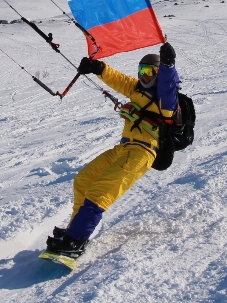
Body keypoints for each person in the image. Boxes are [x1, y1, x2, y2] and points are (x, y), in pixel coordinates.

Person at [46, 42, 181, 257]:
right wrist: (97, 67)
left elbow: (168, 84)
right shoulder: (137, 89)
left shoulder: (165, 100)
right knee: (83, 180)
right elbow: (118, 79)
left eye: (151, 72)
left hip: (142, 153)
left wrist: (168, 65)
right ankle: (74, 230)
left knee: (99, 192)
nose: (145, 77)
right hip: (124, 149)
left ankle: (75, 242)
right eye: (142, 71)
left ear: (158, 73)